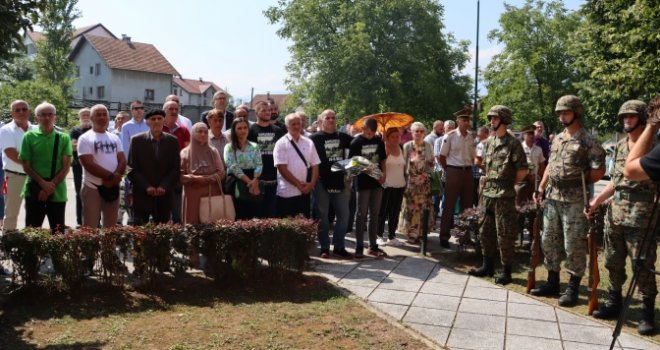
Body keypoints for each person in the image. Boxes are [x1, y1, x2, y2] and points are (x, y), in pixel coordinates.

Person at [587, 100, 657, 335]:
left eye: (631, 116)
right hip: (615, 214)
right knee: (613, 260)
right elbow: (617, 182)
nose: (626, 120)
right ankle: (614, 301)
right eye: (624, 117)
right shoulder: (620, 145)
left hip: (642, 216)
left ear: (642, 119)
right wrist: (596, 201)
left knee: (642, 264)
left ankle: (647, 311)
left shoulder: (653, 146)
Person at [531, 95, 606, 307]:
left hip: (574, 200)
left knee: (573, 243)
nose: (562, 116)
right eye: (560, 113)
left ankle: (572, 286)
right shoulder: (557, 139)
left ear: (576, 112)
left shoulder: (588, 140)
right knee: (549, 239)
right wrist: (541, 187)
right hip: (553, 197)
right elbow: (550, 166)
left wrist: (576, 182)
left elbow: (599, 170)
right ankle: (552, 281)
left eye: (566, 112)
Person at [469, 106, 528, 285]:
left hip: (504, 194)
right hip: (488, 192)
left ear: (503, 119)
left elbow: (523, 170)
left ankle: (506, 271)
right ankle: (487, 266)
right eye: (491, 118)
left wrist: (509, 184)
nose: (491, 121)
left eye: (494, 118)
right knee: (485, 230)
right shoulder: (489, 142)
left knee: (505, 233)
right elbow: (485, 165)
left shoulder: (513, 143)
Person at [19, 102, 72, 233]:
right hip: (34, 191)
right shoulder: (28, 137)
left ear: (55, 118)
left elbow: (66, 167)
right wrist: (43, 184)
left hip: (57, 191)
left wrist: (50, 186)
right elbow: (26, 166)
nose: (47, 118)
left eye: (50, 114)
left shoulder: (64, 138)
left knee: (58, 232)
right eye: (42, 115)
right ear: (36, 118)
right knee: (32, 232)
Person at [310, 109, 354, 258]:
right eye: (327, 118)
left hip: (340, 182)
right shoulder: (313, 138)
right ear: (321, 121)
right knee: (322, 217)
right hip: (321, 182)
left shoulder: (343, 137)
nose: (330, 120)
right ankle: (324, 247)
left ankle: (339, 246)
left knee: (344, 216)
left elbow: (358, 148)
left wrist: (349, 171)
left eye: (333, 118)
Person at [127, 109, 181, 225]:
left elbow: (175, 168)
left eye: (159, 119)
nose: (156, 121)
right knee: (140, 233)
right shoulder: (136, 140)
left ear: (164, 120)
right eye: (153, 119)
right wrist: (147, 187)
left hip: (164, 196)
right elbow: (130, 168)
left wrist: (164, 186)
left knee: (161, 235)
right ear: (147, 122)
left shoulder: (173, 141)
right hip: (142, 195)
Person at [77, 105, 125, 228]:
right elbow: (88, 163)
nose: (102, 117)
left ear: (109, 118)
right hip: (93, 186)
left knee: (110, 228)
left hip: (113, 186)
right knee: (90, 227)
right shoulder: (85, 138)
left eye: (105, 114)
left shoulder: (114, 138)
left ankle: (108, 248)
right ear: (91, 118)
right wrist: (110, 176)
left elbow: (122, 160)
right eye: (98, 114)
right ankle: (91, 248)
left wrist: (115, 178)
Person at [438, 107, 476, 248]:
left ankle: (464, 237)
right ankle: (444, 237)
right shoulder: (450, 136)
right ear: (458, 121)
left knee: (467, 206)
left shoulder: (470, 137)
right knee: (449, 205)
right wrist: (448, 170)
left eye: (468, 120)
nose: (466, 123)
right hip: (453, 171)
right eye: (464, 120)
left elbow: (474, 156)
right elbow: (442, 157)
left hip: (467, 172)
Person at [349, 117, 387, 258]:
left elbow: (382, 159)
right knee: (361, 215)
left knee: (375, 214)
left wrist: (384, 175)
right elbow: (352, 165)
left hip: (377, 182)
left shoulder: (378, 140)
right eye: (368, 133)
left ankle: (373, 245)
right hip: (362, 183)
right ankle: (359, 246)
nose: (370, 136)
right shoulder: (356, 142)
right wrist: (366, 169)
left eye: (372, 133)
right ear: (363, 129)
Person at [273, 113, 320, 218]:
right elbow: (282, 168)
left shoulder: (309, 142)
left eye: (298, 123)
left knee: (304, 225)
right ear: (286, 126)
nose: (297, 126)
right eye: (293, 124)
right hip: (287, 192)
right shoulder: (281, 143)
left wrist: (311, 184)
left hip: (305, 192)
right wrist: (298, 184)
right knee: (288, 226)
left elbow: (315, 165)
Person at [1, 100, 37, 232]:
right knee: (11, 213)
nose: (21, 112)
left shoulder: (37, 129)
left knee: (35, 212)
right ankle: (8, 245)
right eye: (17, 110)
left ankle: (32, 241)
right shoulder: (6, 130)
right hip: (15, 176)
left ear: (29, 111)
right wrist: (35, 164)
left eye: (24, 109)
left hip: (35, 177)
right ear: (12, 113)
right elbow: (11, 153)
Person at [181, 123, 225, 224]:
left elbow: (221, 172)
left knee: (212, 222)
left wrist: (208, 178)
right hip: (192, 194)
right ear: (193, 133)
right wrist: (195, 178)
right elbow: (180, 175)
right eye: (200, 131)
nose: (203, 134)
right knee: (192, 225)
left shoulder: (213, 151)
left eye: (205, 132)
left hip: (211, 192)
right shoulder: (184, 153)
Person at [398, 122, 435, 244]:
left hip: (424, 183)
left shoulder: (428, 146)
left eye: (421, 131)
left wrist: (425, 175)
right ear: (412, 133)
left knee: (423, 208)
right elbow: (403, 165)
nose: (418, 133)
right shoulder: (407, 146)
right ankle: (411, 234)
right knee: (411, 209)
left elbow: (431, 164)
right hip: (411, 183)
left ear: (424, 133)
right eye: (416, 131)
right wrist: (406, 178)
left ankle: (421, 233)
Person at [248, 101, 285, 218]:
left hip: (275, 180)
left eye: (269, 110)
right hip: (257, 180)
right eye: (264, 110)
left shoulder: (278, 131)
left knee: (272, 215)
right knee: (257, 215)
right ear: (256, 113)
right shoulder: (250, 131)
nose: (268, 112)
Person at [224, 118, 262, 220]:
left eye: (245, 128)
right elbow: (232, 165)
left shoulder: (254, 146)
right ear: (234, 130)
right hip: (236, 181)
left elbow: (259, 164)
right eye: (239, 128)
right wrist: (248, 181)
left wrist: (255, 180)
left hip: (253, 182)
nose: (243, 130)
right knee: (237, 214)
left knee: (252, 214)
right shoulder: (229, 147)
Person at [375, 127, 405, 246]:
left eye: (398, 136)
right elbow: (377, 165)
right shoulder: (382, 147)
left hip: (400, 183)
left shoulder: (401, 147)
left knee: (395, 211)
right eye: (393, 136)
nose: (396, 139)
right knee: (383, 211)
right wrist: (385, 153)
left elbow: (404, 165)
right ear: (387, 137)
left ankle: (392, 235)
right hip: (386, 184)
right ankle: (378, 235)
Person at [163, 100, 190, 224]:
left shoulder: (184, 130)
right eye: (170, 109)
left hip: (178, 174)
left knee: (177, 212)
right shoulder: (157, 127)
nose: (174, 111)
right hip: (160, 175)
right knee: (161, 213)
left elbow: (187, 152)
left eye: (176, 109)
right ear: (164, 111)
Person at [70, 108, 93, 227]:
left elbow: (76, 145)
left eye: (88, 114)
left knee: (95, 193)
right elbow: (73, 147)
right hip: (78, 166)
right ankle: (80, 221)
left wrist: (80, 143)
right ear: (80, 117)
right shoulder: (75, 130)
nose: (86, 117)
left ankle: (95, 221)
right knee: (80, 193)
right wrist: (90, 145)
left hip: (94, 166)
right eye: (83, 115)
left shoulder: (96, 129)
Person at [517, 125, 546, 206]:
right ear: (524, 135)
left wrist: (537, 177)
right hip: (522, 181)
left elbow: (542, 165)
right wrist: (528, 175)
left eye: (532, 133)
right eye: (529, 134)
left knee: (534, 205)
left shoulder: (538, 149)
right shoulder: (519, 148)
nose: (531, 136)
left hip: (535, 182)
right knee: (520, 206)